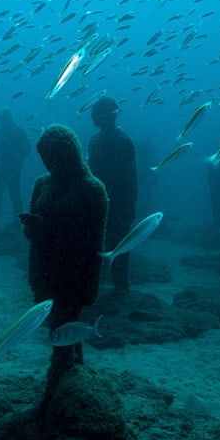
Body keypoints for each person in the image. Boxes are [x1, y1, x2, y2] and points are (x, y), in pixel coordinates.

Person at [21, 124, 108, 408]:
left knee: (61, 338)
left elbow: (93, 242)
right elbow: (36, 232)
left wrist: (89, 289)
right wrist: (33, 227)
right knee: (66, 336)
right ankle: (76, 393)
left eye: (53, 157)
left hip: (72, 275)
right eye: (44, 158)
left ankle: (54, 399)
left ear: (69, 154)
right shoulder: (42, 184)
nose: (48, 164)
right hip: (44, 273)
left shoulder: (91, 190)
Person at [88, 97, 137, 293]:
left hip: (116, 204)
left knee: (119, 246)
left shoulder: (123, 141)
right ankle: (111, 286)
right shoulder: (96, 141)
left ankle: (121, 287)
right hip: (101, 203)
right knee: (102, 245)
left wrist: (129, 207)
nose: (96, 118)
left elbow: (131, 179)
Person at [0, 108, 30, 230]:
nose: (1, 122)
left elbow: (26, 148)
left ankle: (18, 223)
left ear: (8, 118)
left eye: (2, 119)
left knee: (14, 195)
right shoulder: (1, 132)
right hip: (1, 168)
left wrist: (17, 161)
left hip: (12, 169)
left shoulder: (18, 133)